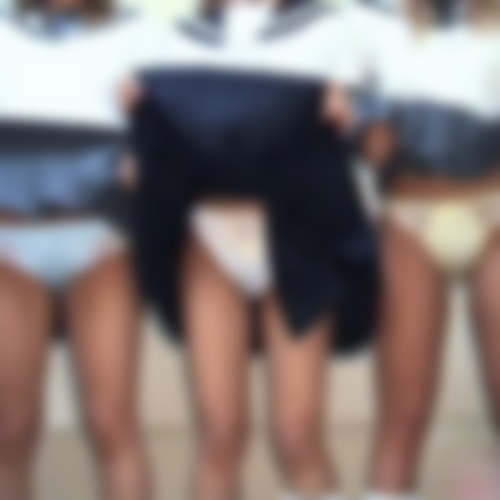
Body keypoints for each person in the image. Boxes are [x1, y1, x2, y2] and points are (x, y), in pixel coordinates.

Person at [129, 1, 379, 499]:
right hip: (210, 234)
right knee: (219, 435)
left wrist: (353, 111)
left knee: (297, 434)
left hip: (300, 237)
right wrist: (132, 115)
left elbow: (369, 136)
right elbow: (149, 153)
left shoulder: (330, 30)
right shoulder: (173, 37)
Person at [0, 1, 157, 498]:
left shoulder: (141, 36)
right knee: (11, 428)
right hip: (9, 246)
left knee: (111, 420)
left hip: (101, 242)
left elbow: (179, 132)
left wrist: (150, 147)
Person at [351, 0, 500, 498]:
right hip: (408, 218)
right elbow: (357, 119)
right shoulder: (373, 15)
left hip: (494, 212)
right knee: (404, 417)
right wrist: (367, 125)